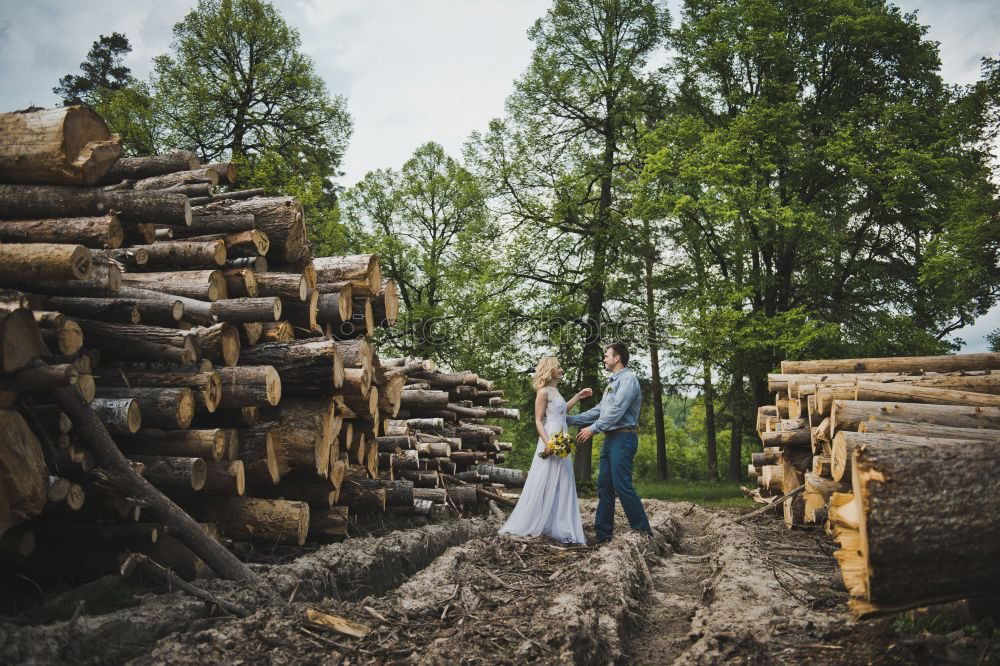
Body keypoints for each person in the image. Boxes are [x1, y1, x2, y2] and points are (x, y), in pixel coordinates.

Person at [567, 341, 652, 544]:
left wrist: (593, 429)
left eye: (607, 355)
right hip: (610, 439)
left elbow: (616, 411)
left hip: (624, 438)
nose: (604, 359)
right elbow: (599, 410)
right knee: (604, 487)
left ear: (617, 358)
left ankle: (644, 532)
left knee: (622, 485)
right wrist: (569, 419)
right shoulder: (611, 384)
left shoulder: (629, 379)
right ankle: (603, 535)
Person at [498, 356, 588, 544]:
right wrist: (547, 443)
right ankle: (534, 521)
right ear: (550, 370)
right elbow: (538, 420)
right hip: (550, 437)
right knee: (544, 479)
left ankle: (561, 525)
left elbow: (562, 412)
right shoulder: (543, 392)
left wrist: (578, 397)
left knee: (564, 480)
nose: (562, 370)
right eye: (559, 367)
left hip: (562, 437)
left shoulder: (556, 391)